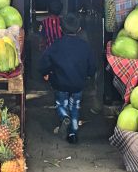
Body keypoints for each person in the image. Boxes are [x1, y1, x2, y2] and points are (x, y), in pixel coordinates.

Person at [39, 13, 97, 144]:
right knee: (75, 106)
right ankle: (73, 133)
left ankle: (65, 117)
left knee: (61, 104)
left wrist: (45, 72)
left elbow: (45, 60)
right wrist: (89, 75)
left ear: (60, 29)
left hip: (60, 82)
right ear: (79, 29)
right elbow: (92, 65)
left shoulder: (56, 45)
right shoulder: (85, 46)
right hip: (78, 83)